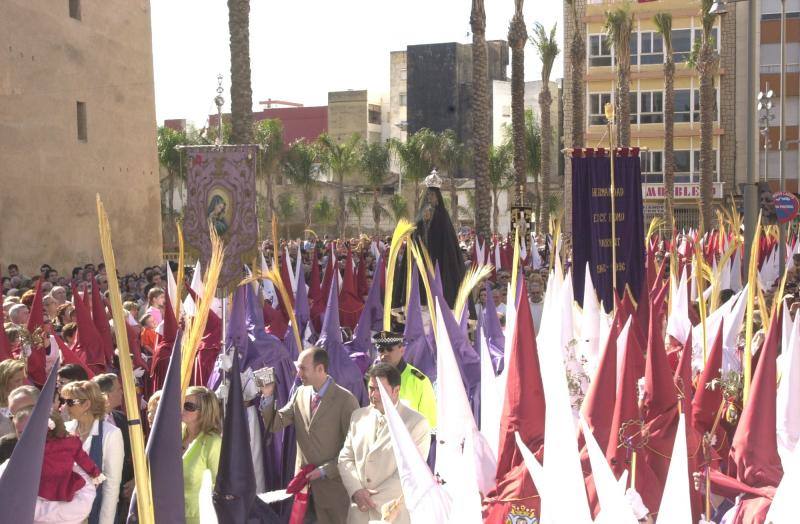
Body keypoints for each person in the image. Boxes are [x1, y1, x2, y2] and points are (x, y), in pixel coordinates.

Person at [259, 347, 359, 524]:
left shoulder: (346, 400)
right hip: (303, 489)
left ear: (320, 369)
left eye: (303, 368)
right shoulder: (300, 393)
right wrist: (267, 396)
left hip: (332, 492)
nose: (298, 373)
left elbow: (354, 449)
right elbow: (276, 423)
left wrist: (323, 471)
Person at [338, 363, 430, 524]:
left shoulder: (416, 423)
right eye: (371, 388)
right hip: (359, 513)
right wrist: (356, 491)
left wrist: (369, 499)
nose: (374, 394)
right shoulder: (358, 416)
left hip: (393, 514)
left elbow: (411, 471)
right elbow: (345, 458)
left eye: (380, 389)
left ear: (396, 390)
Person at [61, 380, 124, 524]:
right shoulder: (64, 430)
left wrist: (105, 522)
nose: (64, 406)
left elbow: (111, 486)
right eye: (64, 401)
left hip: (92, 515)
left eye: (70, 402)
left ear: (86, 404)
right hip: (62, 513)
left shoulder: (111, 433)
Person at [34, 413, 105, 524]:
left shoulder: (37, 446)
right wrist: (95, 473)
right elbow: (83, 459)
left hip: (42, 487)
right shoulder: (72, 442)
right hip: (65, 485)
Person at [373, 331, 436, 428]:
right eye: (381, 350)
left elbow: (430, 422)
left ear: (402, 350)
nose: (384, 354)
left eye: (390, 349)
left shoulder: (419, 381)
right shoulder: (374, 378)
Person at [92, 373, 134, 522]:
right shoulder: (88, 422)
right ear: (106, 395)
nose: (122, 392)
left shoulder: (121, 418)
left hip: (124, 494)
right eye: (118, 389)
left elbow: (133, 453)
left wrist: (134, 480)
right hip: (97, 497)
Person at [182, 386, 222, 524]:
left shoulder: (213, 443)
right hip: (167, 513)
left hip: (198, 518)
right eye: (181, 403)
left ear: (204, 412)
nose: (182, 408)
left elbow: (219, 487)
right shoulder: (175, 434)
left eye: (188, 406)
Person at [0, 359, 26, 437]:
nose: (21, 384)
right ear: (5, 381)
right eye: (17, 381)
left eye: (22, 380)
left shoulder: (24, 400)